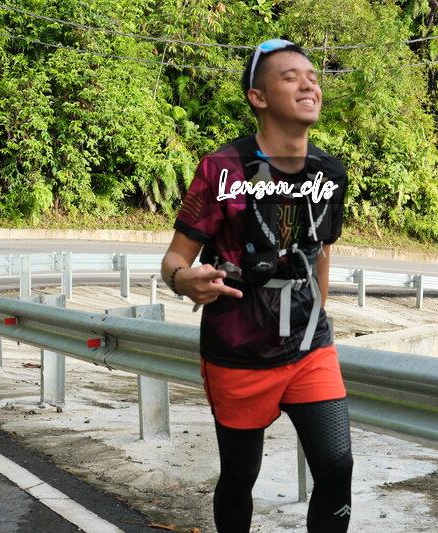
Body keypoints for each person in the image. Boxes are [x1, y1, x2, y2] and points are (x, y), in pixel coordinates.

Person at [160, 39, 352, 533]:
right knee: (241, 475)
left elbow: (321, 252)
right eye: (291, 77)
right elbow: (175, 259)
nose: (308, 84)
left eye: (312, 77)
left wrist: (319, 316)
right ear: (258, 97)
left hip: (309, 347)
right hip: (237, 348)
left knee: (337, 468)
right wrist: (184, 281)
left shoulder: (329, 173)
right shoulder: (221, 169)